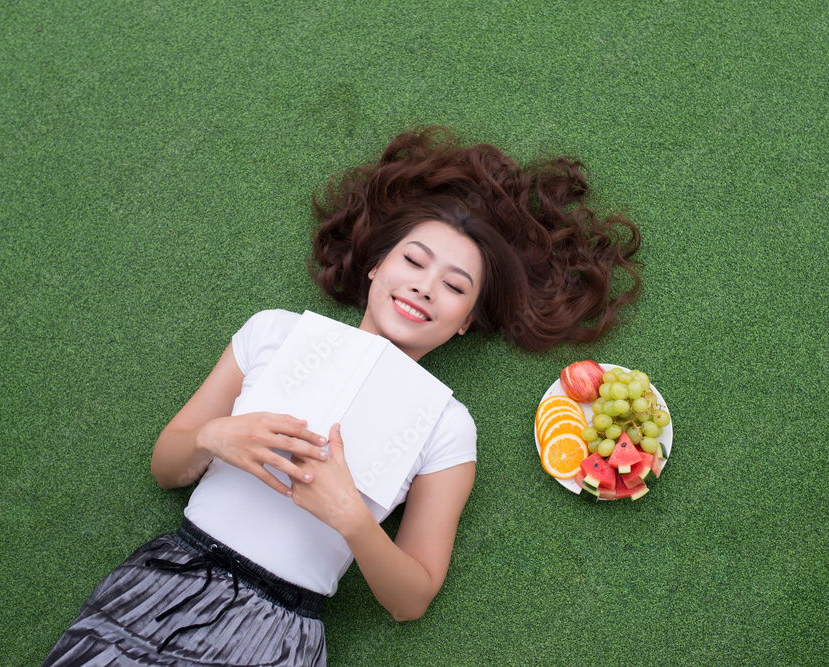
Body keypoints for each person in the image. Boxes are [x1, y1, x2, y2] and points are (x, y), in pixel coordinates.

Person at [41, 126, 642, 667]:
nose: (425, 287)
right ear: (377, 267)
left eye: (455, 287)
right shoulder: (273, 331)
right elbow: (165, 467)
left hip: (275, 632)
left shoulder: (448, 427)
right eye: (414, 260)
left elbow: (412, 599)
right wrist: (212, 437)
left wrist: (352, 517)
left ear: (465, 322)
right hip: (165, 581)